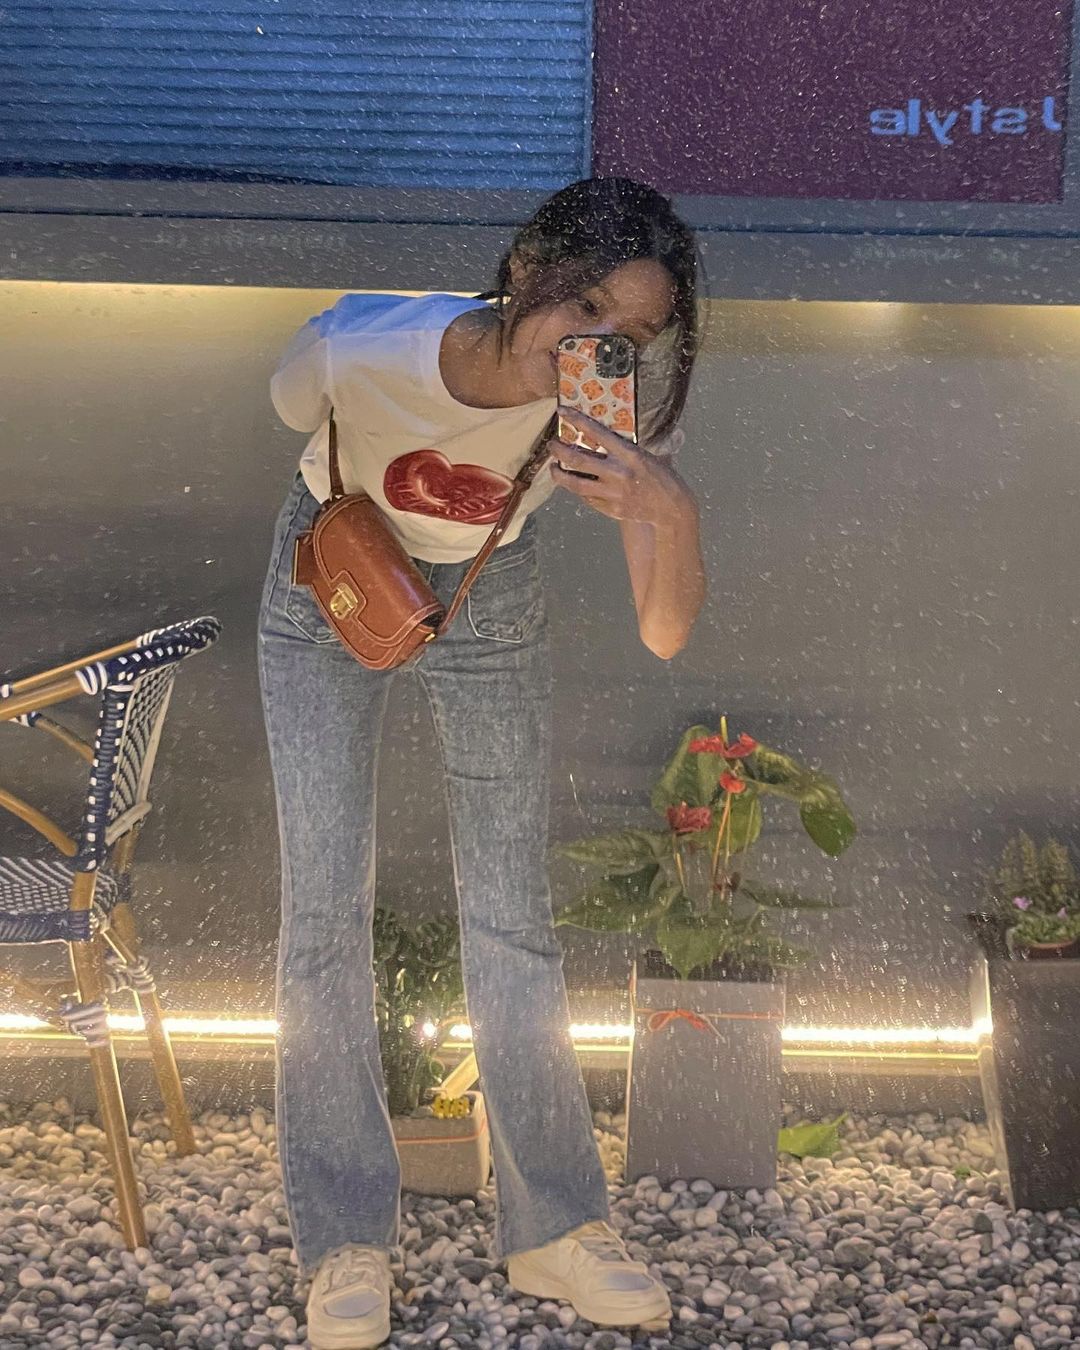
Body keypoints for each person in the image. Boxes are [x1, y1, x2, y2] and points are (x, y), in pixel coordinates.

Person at [256, 176, 706, 1350]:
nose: (600, 347)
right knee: (323, 909)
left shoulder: (600, 414)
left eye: (634, 333)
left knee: (511, 912)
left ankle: (557, 1225)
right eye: (586, 309)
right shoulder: (366, 343)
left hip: (490, 587)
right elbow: (291, 403)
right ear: (526, 271)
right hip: (331, 570)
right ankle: (344, 1235)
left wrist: (669, 508)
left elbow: (665, 632)